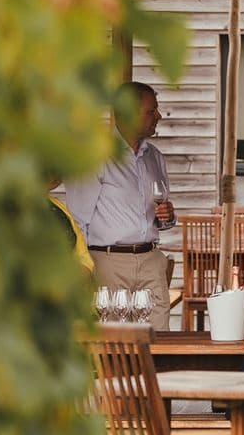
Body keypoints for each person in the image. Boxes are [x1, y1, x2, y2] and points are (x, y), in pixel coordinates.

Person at [69, 81, 176, 329]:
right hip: (109, 263)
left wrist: (168, 216)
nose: (159, 116)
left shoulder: (155, 157)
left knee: (159, 337)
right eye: (152, 111)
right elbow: (78, 219)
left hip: (150, 260)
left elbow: (160, 217)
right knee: (115, 341)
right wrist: (85, 271)